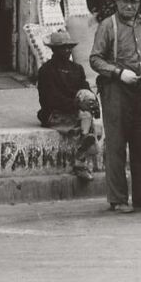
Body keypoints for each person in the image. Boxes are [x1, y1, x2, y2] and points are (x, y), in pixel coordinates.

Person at [90, 0, 141, 214]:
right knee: (117, 145)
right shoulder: (108, 26)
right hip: (117, 90)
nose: (130, 6)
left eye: (134, 2)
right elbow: (95, 59)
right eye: (125, 1)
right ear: (117, 1)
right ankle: (118, 199)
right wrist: (119, 73)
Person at [37, 31, 100, 182]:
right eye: (62, 48)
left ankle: (82, 153)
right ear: (54, 50)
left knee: (87, 104)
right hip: (55, 112)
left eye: (69, 47)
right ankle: (81, 159)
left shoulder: (77, 69)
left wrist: (93, 103)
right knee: (86, 123)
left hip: (76, 111)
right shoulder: (46, 70)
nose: (67, 51)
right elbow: (50, 99)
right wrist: (76, 104)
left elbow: (85, 87)